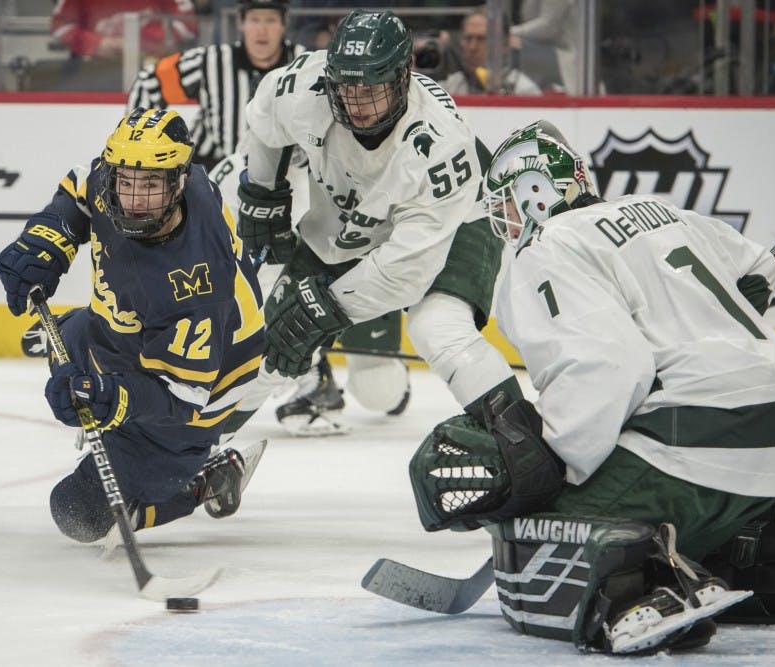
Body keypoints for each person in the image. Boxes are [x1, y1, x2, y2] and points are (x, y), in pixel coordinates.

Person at [408, 120, 775, 654]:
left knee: (538, 539)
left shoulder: (549, 247)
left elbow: (606, 369)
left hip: (694, 441)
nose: (505, 222)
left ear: (534, 195)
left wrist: (557, 468)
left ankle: (644, 589)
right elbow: (757, 265)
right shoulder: (662, 211)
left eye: (505, 206)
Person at [235, 9, 521, 439]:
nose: (357, 103)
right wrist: (264, 193)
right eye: (346, 87)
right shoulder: (305, 86)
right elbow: (264, 115)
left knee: (436, 327)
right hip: (349, 221)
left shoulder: (441, 146)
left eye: (373, 89)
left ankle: (524, 446)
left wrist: (322, 310)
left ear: (404, 75)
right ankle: (182, 451)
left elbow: (405, 274)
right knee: (266, 348)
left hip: (458, 215)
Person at [0, 108, 266, 542]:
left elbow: (181, 396)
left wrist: (111, 399)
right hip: (130, 333)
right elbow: (82, 186)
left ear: (178, 182)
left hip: (205, 385)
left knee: (77, 513)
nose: (135, 200)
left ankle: (205, 479)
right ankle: (84, 353)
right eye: (126, 182)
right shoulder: (129, 174)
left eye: (152, 186)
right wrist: (47, 240)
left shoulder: (195, 281)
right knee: (68, 344)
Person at [209, 148, 412, 436]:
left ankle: (385, 373)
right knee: (267, 279)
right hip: (287, 288)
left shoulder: (345, 161)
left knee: (380, 391)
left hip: (355, 274)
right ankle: (313, 378)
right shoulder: (239, 172)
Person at [125, 0, 305, 170]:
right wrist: (142, 144)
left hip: (285, 175)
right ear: (241, 23)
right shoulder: (211, 60)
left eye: (271, 20)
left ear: (284, 24)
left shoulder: (303, 64)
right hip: (211, 172)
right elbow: (149, 82)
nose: (262, 30)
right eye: (254, 20)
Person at [50, 0, 198, 65]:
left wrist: (140, 41)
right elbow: (60, 27)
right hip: (95, 68)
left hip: (155, 67)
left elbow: (188, 25)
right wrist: (97, 43)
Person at [439, 8, 541, 96]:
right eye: (468, 38)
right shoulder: (449, 89)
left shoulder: (524, 91)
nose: (472, 47)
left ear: (504, 44)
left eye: (482, 39)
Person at [509, 0, 577, 93]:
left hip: (564, 54)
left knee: (511, 46)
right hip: (543, 47)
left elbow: (548, 27)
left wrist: (506, 32)